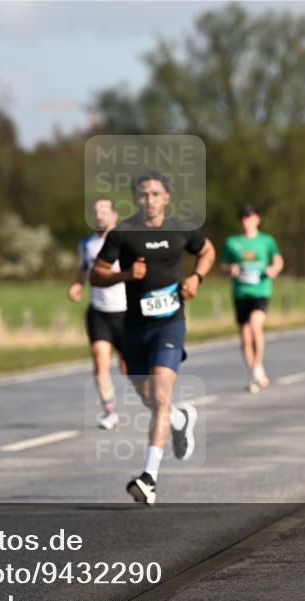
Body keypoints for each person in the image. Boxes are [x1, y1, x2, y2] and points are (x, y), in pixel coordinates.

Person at [90, 172, 215, 505]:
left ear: (166, 198)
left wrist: (197, 278)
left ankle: (149, 478)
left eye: (155, 194)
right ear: (136, 199)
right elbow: (96, 273)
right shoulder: (124, 233)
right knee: (149, 399)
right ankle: (180, 417)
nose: (149, 200)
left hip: (169, 326)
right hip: (134, 329)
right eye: (143, 195)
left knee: (160, 395)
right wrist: (125, 275)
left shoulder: (182, 229)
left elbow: (207, 251)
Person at [68, 197, 127, 429]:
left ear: (114, 215)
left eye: (104, 211)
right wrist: (77, 284)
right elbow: (84, 268)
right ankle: (109, 410)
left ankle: (156, 402)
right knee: (99, 357)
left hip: (125, 312)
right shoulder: (87, 244)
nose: (99, 215)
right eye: (96, 211)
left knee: (127, 367)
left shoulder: (126, 242)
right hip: (99, 311)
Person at [219, 204, 283, 391]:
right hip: (240, 292)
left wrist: (274, 269)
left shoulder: (266, 241)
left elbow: (278, 260)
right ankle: (254, 372)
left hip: (261, 290)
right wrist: (230, 269)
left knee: (256, 326)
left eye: (250, 217)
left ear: (257, 219)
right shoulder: (232, 242)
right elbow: (223, 265)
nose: (247, 221)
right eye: (244, 217)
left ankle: (258, 365)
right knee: (245, 338)